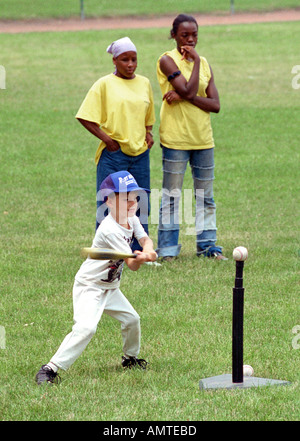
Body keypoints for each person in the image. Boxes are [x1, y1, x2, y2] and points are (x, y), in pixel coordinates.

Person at [35, 171, 157, 385]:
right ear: (108, 200)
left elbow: (144, 238)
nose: (132, 201)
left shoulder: (131, 217)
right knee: (86, 328)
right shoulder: (109, 229)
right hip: (90, 286)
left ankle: (130, 359)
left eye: (135, 196)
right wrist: (141, 258)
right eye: (124, 197)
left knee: (132, 320)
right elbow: (132, 265)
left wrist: (148, 250)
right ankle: (49, 369)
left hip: (110, 287)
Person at [156, 14, 227, 261]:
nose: (190, 39)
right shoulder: (167, 60)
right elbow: (187, 87)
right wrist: (193, 68)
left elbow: (216, 105)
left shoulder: (205, 63)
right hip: (175, 139)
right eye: (184, 35)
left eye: (194, 34)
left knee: (206, 197)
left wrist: (185, 96)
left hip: (203, 139)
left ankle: (207, 248)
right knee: (172, 197)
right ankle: (166, 251)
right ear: (174, 34)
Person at [75, 37, 155, 252]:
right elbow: (85, 116)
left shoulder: (144, 83)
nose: (130, 64)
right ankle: (104, 251)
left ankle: (139, 251)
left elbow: (148, 115)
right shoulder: (104, 84)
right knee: (108, 203)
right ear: (114, 60)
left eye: (134, 59)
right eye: (124, 59)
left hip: (140, 154)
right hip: (114, 154)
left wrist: (148, 133)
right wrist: (107, 140)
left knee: (140, 203)